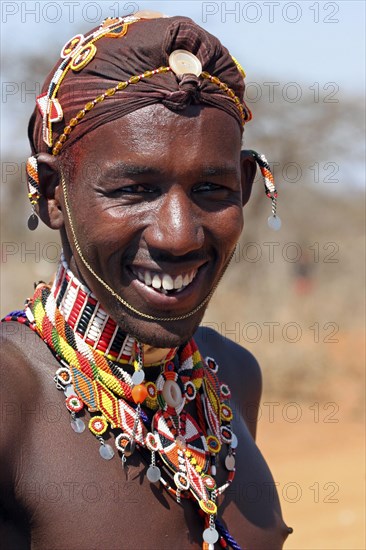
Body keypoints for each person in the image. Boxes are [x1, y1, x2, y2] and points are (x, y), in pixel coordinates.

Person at [0, 11, 292, 549]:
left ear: (247, 187)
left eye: (211, 188)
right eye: (134, 190)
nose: (179, 237)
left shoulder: (232, 376)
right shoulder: (9, 396)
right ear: (48, 194)